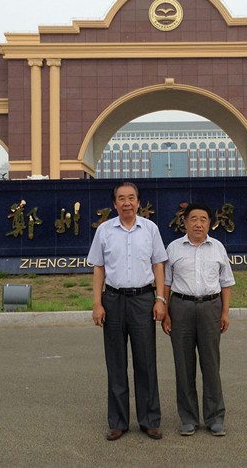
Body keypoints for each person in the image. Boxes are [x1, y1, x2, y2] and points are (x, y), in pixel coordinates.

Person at [88, 181, 168, 441]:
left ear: (138, 202)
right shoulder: (104, 231)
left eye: (131, 198)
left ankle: (150, 420)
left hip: (143, 300)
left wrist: (160, 299)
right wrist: (97, 303)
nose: (127, 203)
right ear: (114, 204)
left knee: (146, 362)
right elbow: (98, 268)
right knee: (116, 363)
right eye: (121, 198)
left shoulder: (150, 229)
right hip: (113, 300)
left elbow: (158, 265)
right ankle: (118, 421)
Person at [162, 202, 235, 437]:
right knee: (184, 365)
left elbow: (226, 283)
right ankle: (189, 418)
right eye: (193, 219)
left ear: (210, 223)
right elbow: (166, 283)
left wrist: (225, 312)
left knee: (211, 364)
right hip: (181, 307)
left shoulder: (218, 248)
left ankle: (215, 417)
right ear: (185, 222)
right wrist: (165, 313)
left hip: (210, 307)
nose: (198, 224)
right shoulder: (174, 248)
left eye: (203, 219)